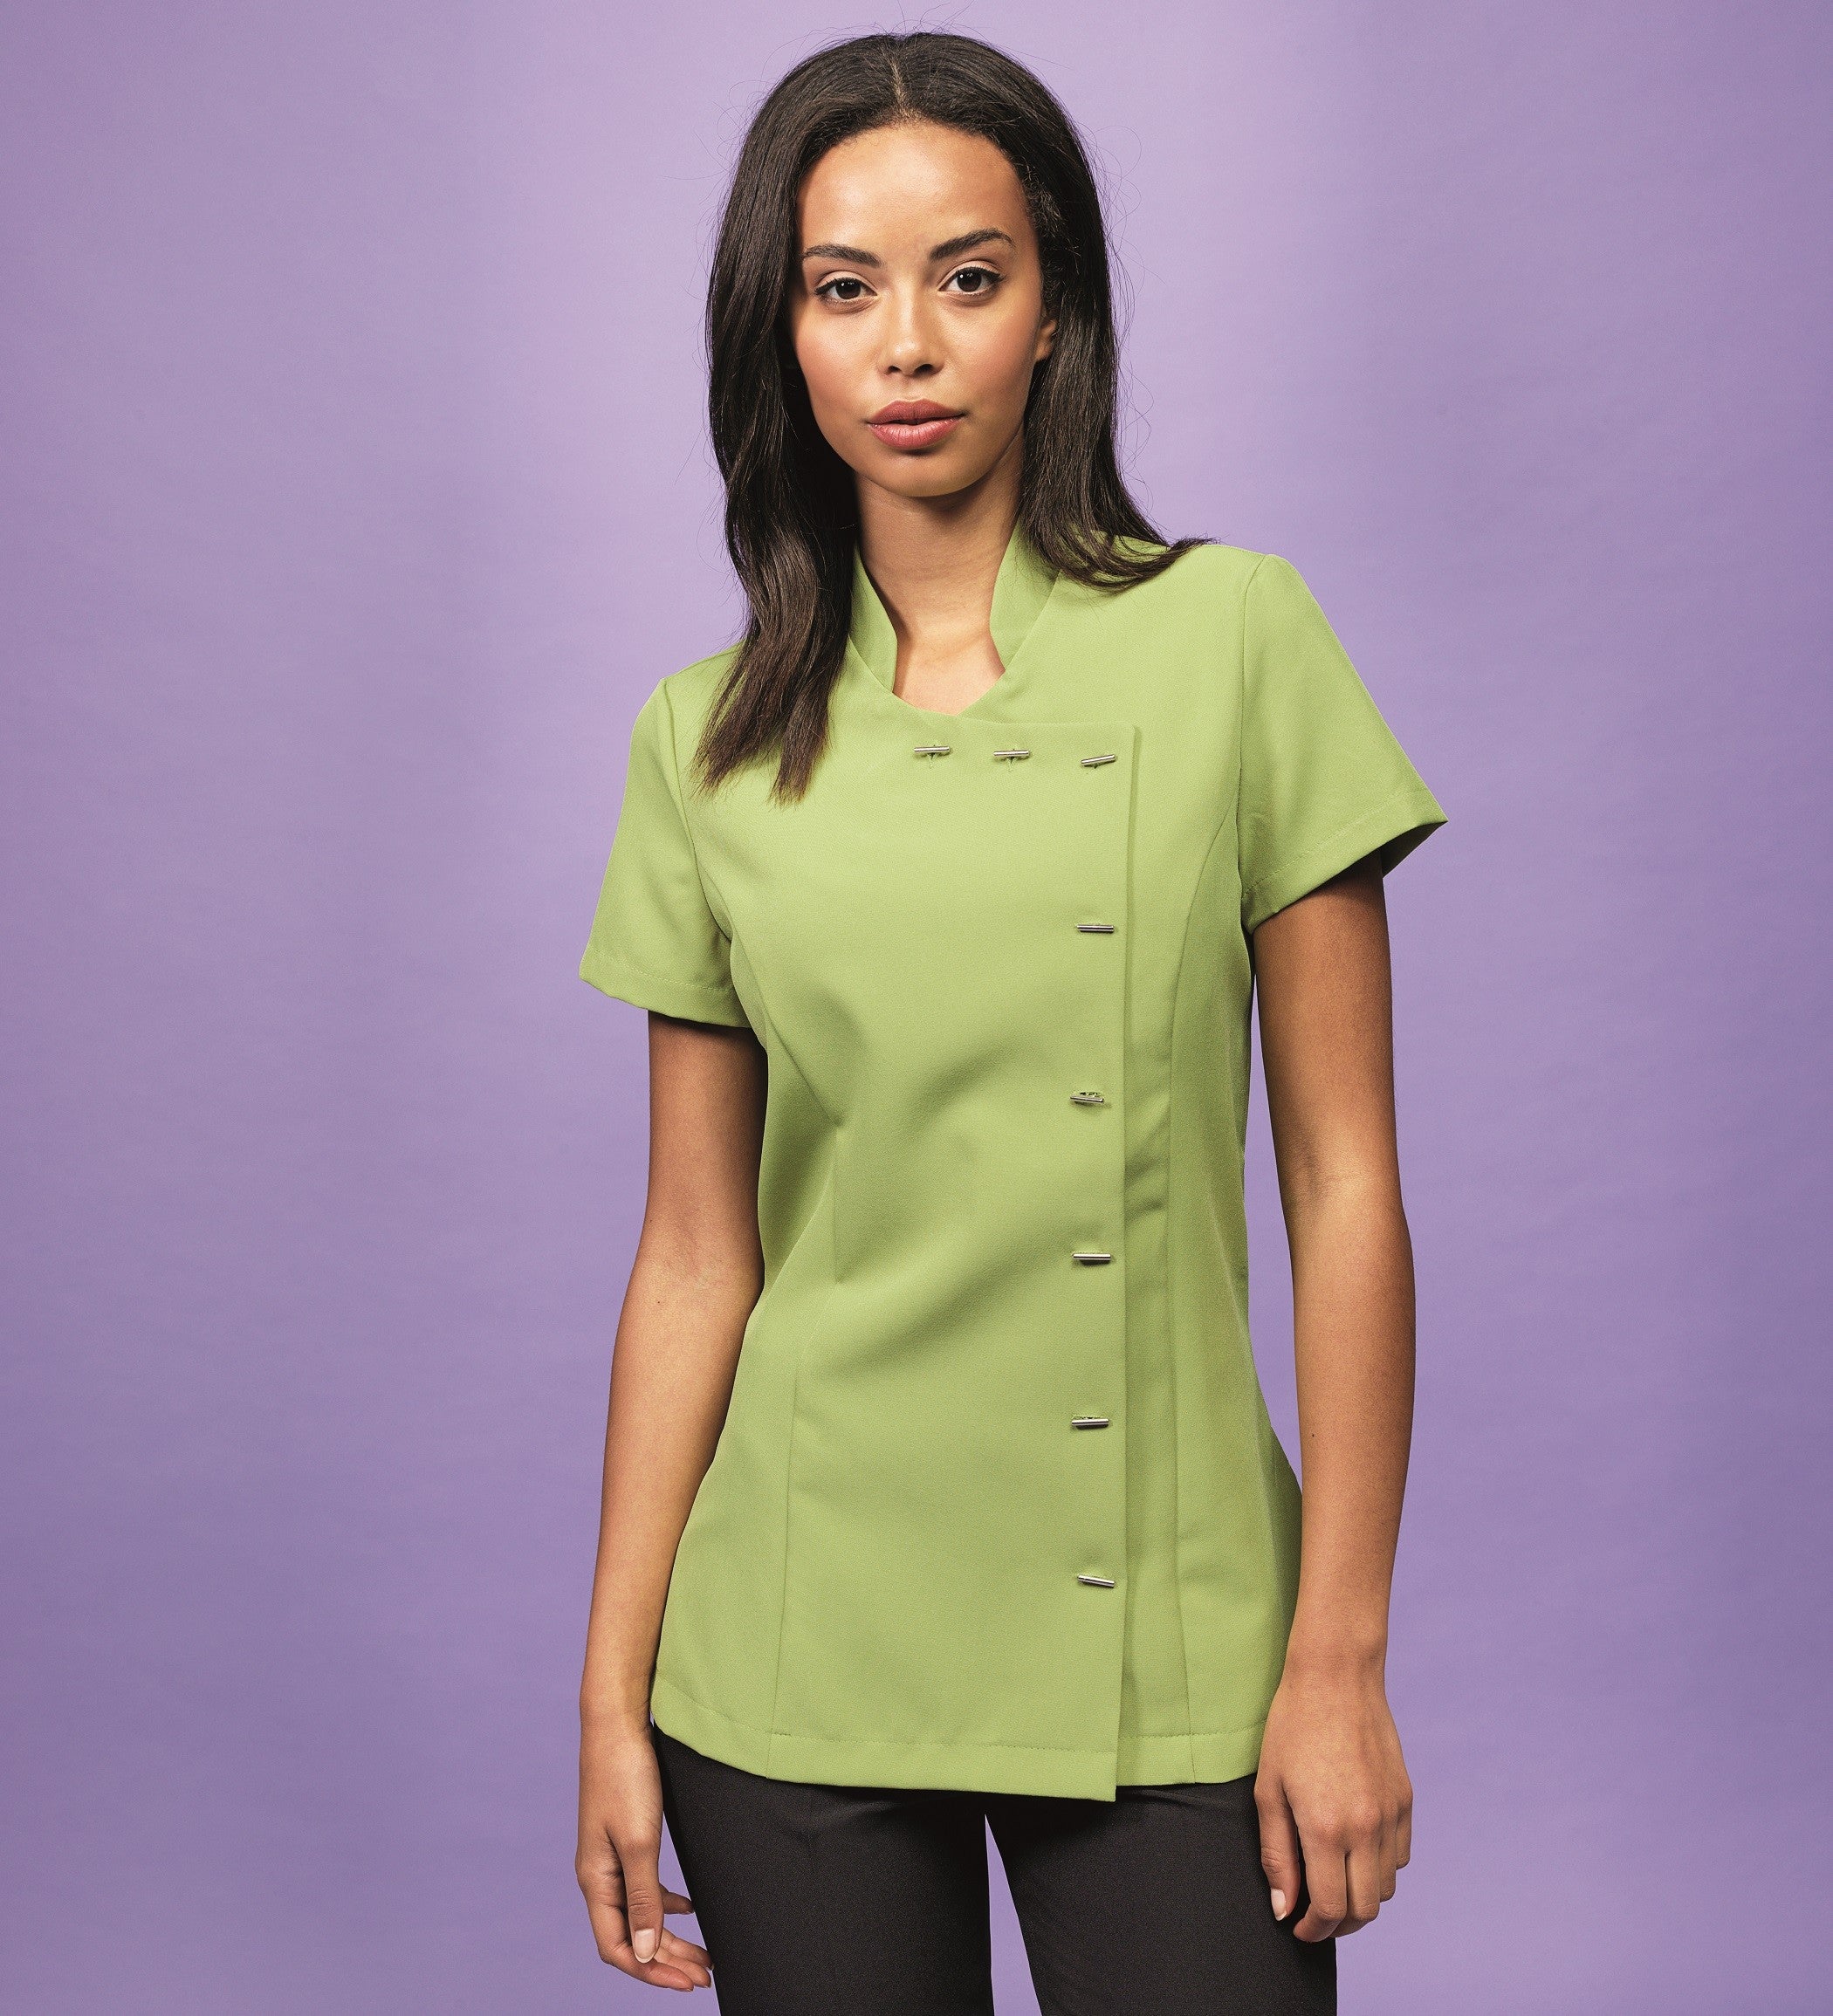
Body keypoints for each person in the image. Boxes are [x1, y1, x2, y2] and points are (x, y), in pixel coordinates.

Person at [573, 29, 1444, 2014]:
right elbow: (696, 1254)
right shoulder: (701, 742)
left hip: (1176, 1632)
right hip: (791, 1640)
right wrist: (612, 1694)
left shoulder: (1238, 638)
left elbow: (1346, 1184)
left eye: (969, 277)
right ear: (783, 333)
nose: (909, 344)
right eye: (844, 288)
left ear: (1055, 310)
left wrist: (1339, 1656)